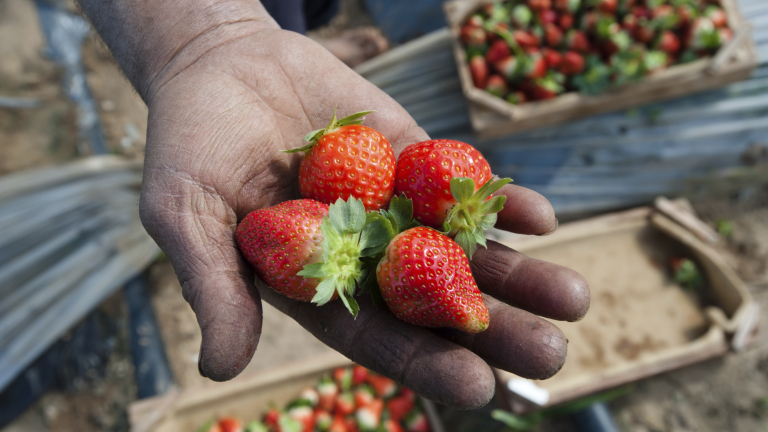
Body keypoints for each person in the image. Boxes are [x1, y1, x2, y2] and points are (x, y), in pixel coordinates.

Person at [76, 0, 590, 409]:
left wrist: (226, 31)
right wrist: (198, 45)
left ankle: (295, 32)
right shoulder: (370, 207)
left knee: (292, 11)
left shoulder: (395, 211)